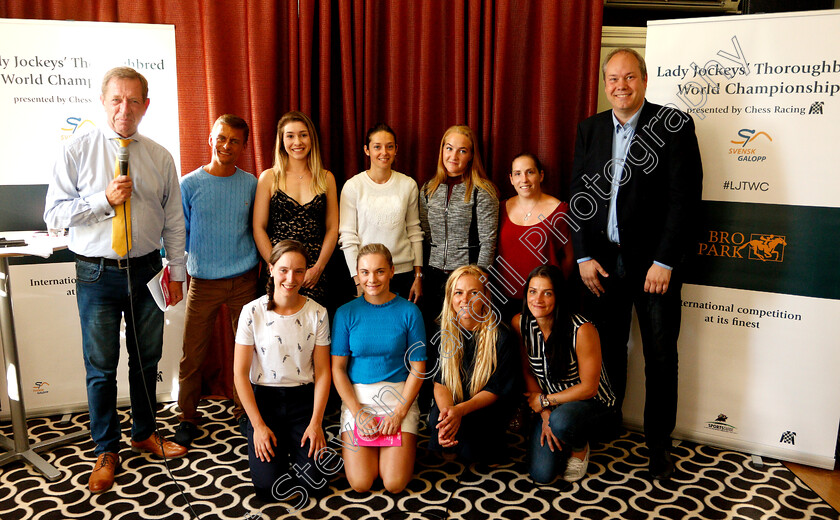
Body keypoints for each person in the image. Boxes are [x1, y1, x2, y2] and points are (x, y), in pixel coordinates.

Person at [44, 66, 187, 494]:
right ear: (104, 103)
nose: (125, 108)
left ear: (146, 105)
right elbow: (53, 216)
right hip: (95, 272)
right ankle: (106, 448)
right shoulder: (76, 150)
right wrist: (102, 200)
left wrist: (176, 271)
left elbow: (174, 222)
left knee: (146, 363)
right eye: (116, 100)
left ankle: (144, 433)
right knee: (101, 368)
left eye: (133, 100)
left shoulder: (160, 156)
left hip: (147, 270)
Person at [570, 48, 703, 480]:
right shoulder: (589, 129)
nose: (620, 86)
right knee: (609, 352)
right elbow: (579, 197)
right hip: (604, 265)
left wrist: (665, 260)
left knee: (661, 356)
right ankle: (606, 426)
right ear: (605, 84)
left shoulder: (674, 126)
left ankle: (658, 445)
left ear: (644, 80)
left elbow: (684, 200)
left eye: (629, 77)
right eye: (612, 79)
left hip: (654, 269)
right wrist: (584, 256)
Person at [175, 114, 260, 446]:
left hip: (243, 280)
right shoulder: (190, 184)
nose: (226, 145)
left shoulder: (251, 183)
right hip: (203, 281)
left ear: (243, 146)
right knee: (192, 354)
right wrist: (176, 273)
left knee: (249, 351)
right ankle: (187, 415)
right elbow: (178, 234)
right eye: (221, 138)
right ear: (210, 139)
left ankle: (244, 412)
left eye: (234, 141)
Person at [233, 240, 331, 503]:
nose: (291, 278)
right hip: (265, 403)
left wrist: (316, 423)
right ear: (271, 269)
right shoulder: (251, 312)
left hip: (303, 404)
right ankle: (257, 434)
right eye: (284, 269)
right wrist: (258, 426)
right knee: (268, 489)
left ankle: (293, 442)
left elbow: (323, 373)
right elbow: (240, 374)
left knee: (315, 485)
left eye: (299, 271)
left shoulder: (318, 313)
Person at [331, 244, 426, 493]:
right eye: (365, 272)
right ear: (358, 274)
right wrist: (357, 411)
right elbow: (338, 369)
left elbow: (418, 367)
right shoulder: (344, 313)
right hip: (358, 400)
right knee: (361, 483)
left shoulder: (410, 311)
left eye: (380, 271)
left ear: (392, 271)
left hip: (398, 399)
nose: (371, 279)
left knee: (394, 483)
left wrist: (399, 413)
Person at [513, 265, 616, 483]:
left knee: (562, 422)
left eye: (547, 293)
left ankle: (580, 446)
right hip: (551, 406)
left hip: (592, 404)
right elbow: (527, 371)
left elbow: (589, 388)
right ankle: (561, 432)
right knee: (542, 475)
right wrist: (544, 412)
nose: (537, 299)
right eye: (533, 291)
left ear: (558, 295)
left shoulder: (581, 329)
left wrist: (545, 401)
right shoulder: (520, 323)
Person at [427, 265, 520, 462]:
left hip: (485, 407)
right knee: (438, 426)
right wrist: (448, 415)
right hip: (455, 402)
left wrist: (461, 411)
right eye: (458, 293)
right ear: (450, 298)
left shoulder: (501, 336)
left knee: (475, 455)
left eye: (473, 293)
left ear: (485, 298)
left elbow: (495, 390)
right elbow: (440, 381)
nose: (465, 300)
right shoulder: (441, 333)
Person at [253, 111, 338, 308]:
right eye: (290, 136)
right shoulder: (268, 178)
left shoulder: (326, 178)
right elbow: (258, 227)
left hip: (314, 274)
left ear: (311, 139)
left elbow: (333, 228)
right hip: (277, 273)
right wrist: (277, 268)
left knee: (314, 331)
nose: (297, 141)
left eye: (303, 135)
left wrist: (318, 268)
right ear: (281, 141)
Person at [339, 123, 424, 302]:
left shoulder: (408, 185)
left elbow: (414, 231)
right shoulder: (353, 186)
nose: (384, 152)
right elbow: (348, 236)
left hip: (403, 273)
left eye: (389, 146)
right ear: (367, 150)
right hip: (368, 277)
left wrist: (418, 276)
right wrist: (358, 279)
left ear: (396, 150)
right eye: (377, 147)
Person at [419, 125, 499, 310]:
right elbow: (426, 234)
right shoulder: (427, 189)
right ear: (442, 150)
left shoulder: (483, 191)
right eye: (449, 148)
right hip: (434, 276)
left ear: (471, 155)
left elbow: (488, 240)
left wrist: (479, 277)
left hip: (467, 279)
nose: (453, 156)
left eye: (462, 151)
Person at [495, 153, 574, 320]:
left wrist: (553, 287)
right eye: (517, 173)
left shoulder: (560, 211)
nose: (524, 179)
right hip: (505, 299)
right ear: (511, 178)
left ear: (541, 175)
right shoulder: (500, 208)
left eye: (530, 172)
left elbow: (568, 257)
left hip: (543, 302)